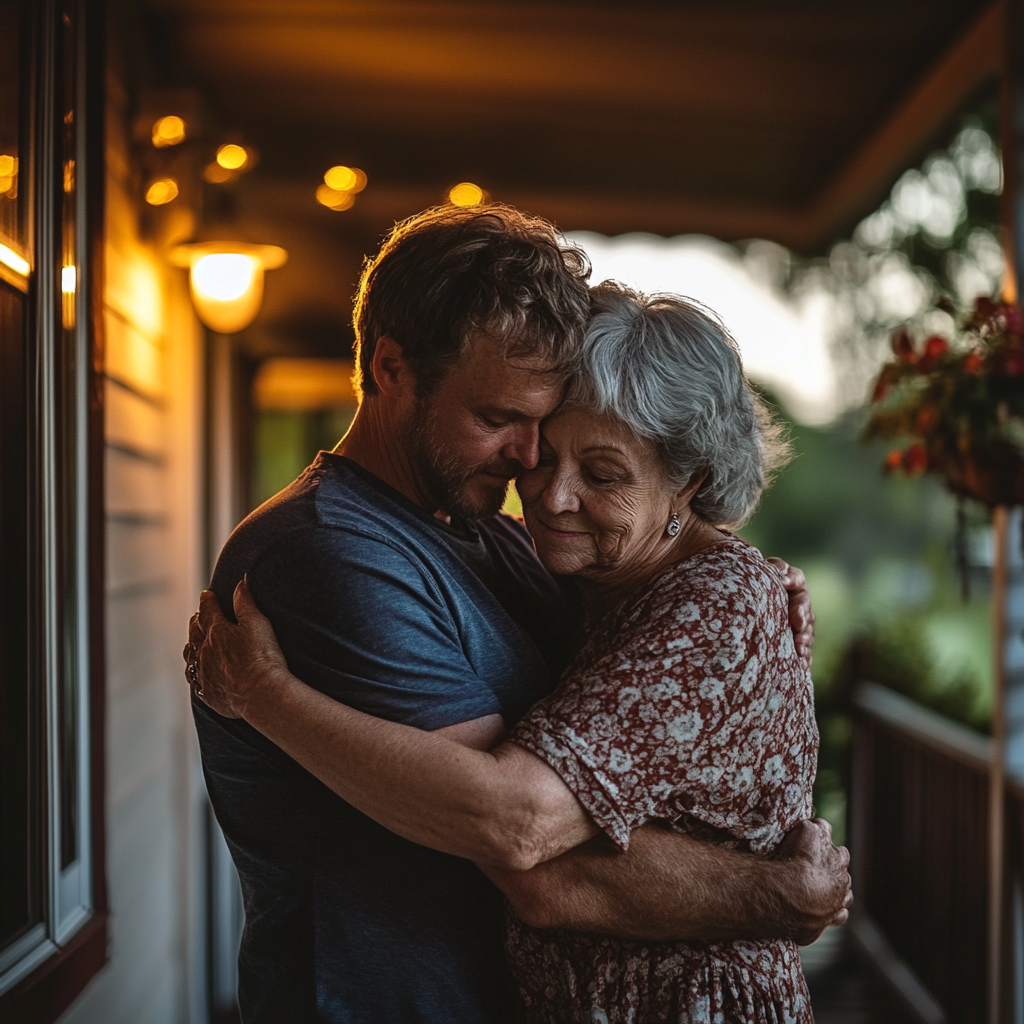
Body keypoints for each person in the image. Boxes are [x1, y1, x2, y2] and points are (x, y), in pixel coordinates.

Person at [188, 205, 850, 1024]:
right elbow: (526, 844)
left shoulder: (483, 538)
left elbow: (666, 609)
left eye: (540, 425)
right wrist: (779, 896)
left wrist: (736, 586)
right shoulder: (331, 554)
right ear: (390, 368)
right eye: (497, 419)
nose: (532, 463)